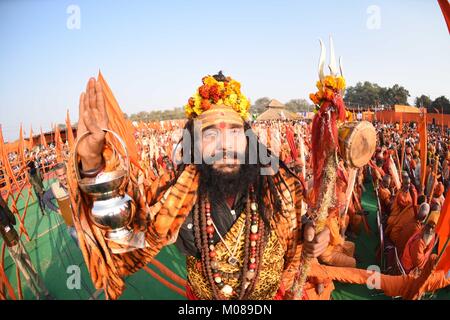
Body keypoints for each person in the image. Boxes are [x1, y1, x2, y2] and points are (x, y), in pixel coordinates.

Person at [68, 73, 332, 300]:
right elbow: (125, 240)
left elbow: (305, 225)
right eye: (210, 134)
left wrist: (316, 235)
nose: (225, 145)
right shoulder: (176, 192)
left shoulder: (281, 186)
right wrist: (93, 163)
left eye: (234, 132)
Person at [0, 195, 51, 300]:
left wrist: (5, 207)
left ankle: (46, 293)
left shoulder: (3, 208)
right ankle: (37, 296)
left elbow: (13, 221)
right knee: (26, 275)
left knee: (32, 268)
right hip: (11, 248)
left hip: (18, 242)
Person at [42, 162, 78, 246]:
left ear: (67, 172)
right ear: (56, 176)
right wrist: (57, 210)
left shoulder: (76, 182)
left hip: (85, 224)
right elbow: (45, 198)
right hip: (72, 226)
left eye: (64, 174)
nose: (62, 178)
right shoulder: (55, 188)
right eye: (59, 176)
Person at [401, 211, 439, 275]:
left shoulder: (426, 233)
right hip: (408, 270)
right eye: (429, 225)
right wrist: (431, 261)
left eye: (433, 227)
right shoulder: (419, 242)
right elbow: (419, 264)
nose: (429, 230)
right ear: (426, 224)